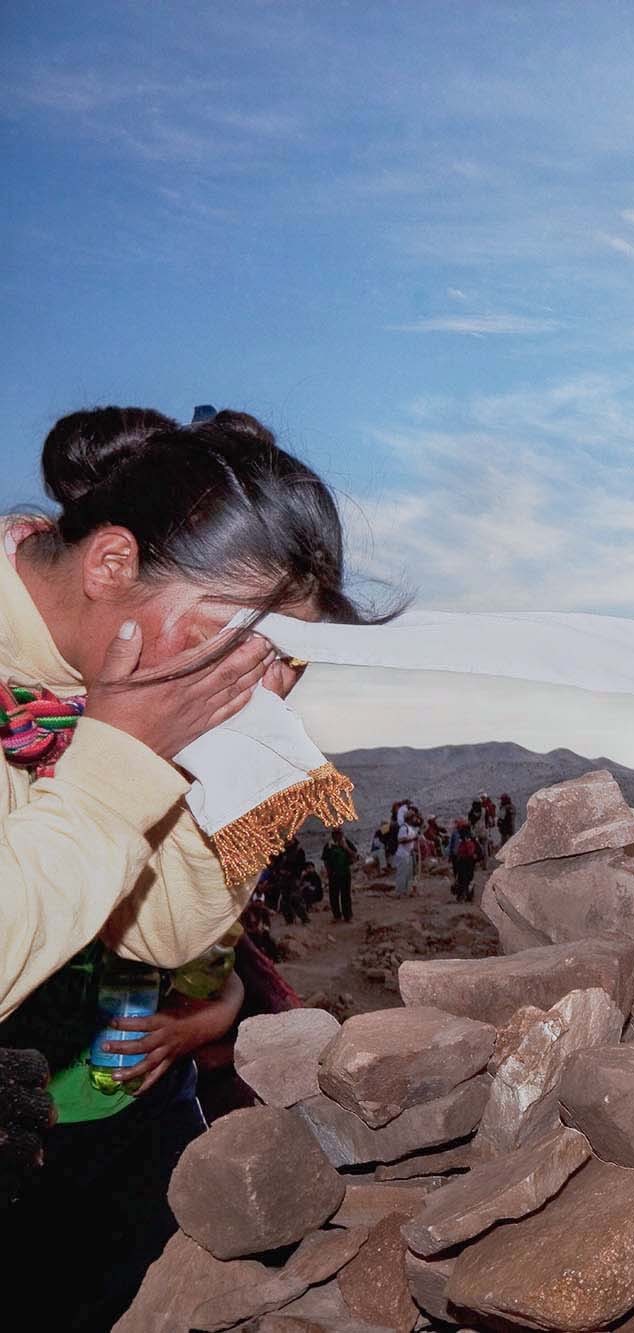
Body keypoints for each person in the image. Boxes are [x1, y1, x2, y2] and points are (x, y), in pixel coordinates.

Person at [0, 405, 388, 1316]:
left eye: (280, 653)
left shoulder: (115, 679)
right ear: (110, 564)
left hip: (109, 1131)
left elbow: (171, 926)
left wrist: (231, 743)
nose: (246, 674)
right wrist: (115, 762)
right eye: (232, 634)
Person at [322, 826, 356, 923]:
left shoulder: (346, 842)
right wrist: (328, 872)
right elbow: (325, 859)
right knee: (334, 896)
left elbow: (354, 854)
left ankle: (347, 916)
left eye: (339, 834)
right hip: (333, 874)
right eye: (336, 834)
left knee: (346, 895)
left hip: (345, 872)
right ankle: (337, 915)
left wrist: (346, 848)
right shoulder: (328, 845)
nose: (338, 836)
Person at [448, 817, 484, 901]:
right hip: (468, 861)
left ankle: (464, 895)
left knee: (463, 879)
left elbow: (464, 850)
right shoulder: (470, 838)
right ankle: (467, 895)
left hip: (465, 861)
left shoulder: (465, 838)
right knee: (467, 879)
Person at [395, 807, 421, 896]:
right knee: (402, 873)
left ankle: (406, 891)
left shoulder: (410, 828)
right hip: (402, 854)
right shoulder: (403, 828)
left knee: (408, 874)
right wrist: (413, 838)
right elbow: (401, 840)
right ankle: (399, 892)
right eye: (413, 817)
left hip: (409, 854)